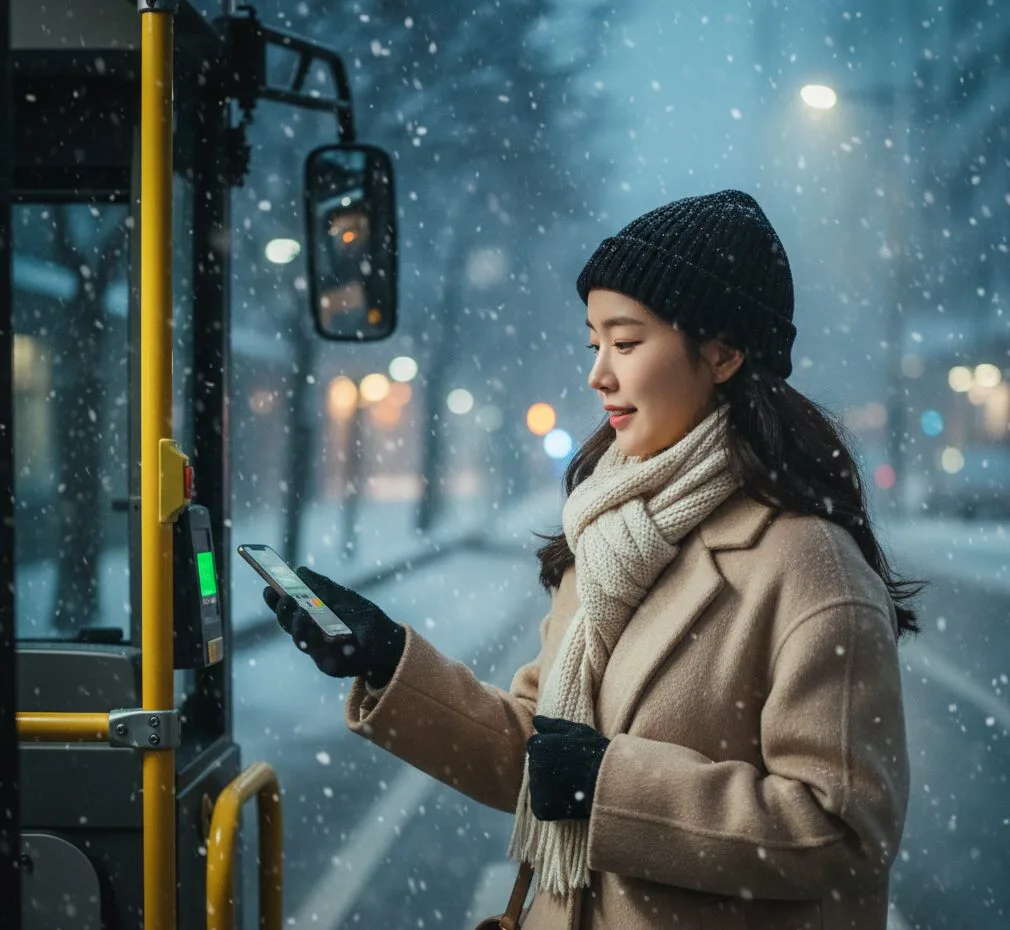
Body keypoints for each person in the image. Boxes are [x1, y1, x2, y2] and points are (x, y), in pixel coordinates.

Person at [265, 189, 924, 930]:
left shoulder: (810, 566)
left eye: (628, 341)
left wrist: (611, 788)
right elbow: (540, 759)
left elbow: (844, 831)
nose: (598, 375)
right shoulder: (609, 534)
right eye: (594, 343)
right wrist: (387, 660)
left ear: (723, 352)